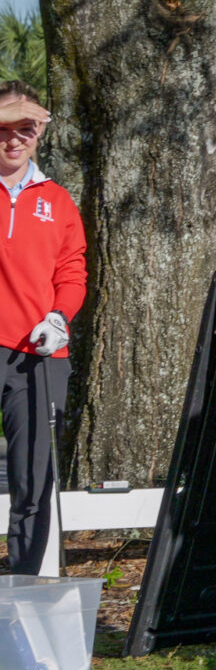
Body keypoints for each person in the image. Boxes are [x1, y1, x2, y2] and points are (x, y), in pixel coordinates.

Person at [0, 81, 86, 576]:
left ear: (39, 134)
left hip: (39, 355)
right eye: (3, 128)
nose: (14, 139)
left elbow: (72, 273)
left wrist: (59, 316)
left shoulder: (58, 200)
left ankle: (22, 588)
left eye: (26, 129)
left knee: (32, 481)